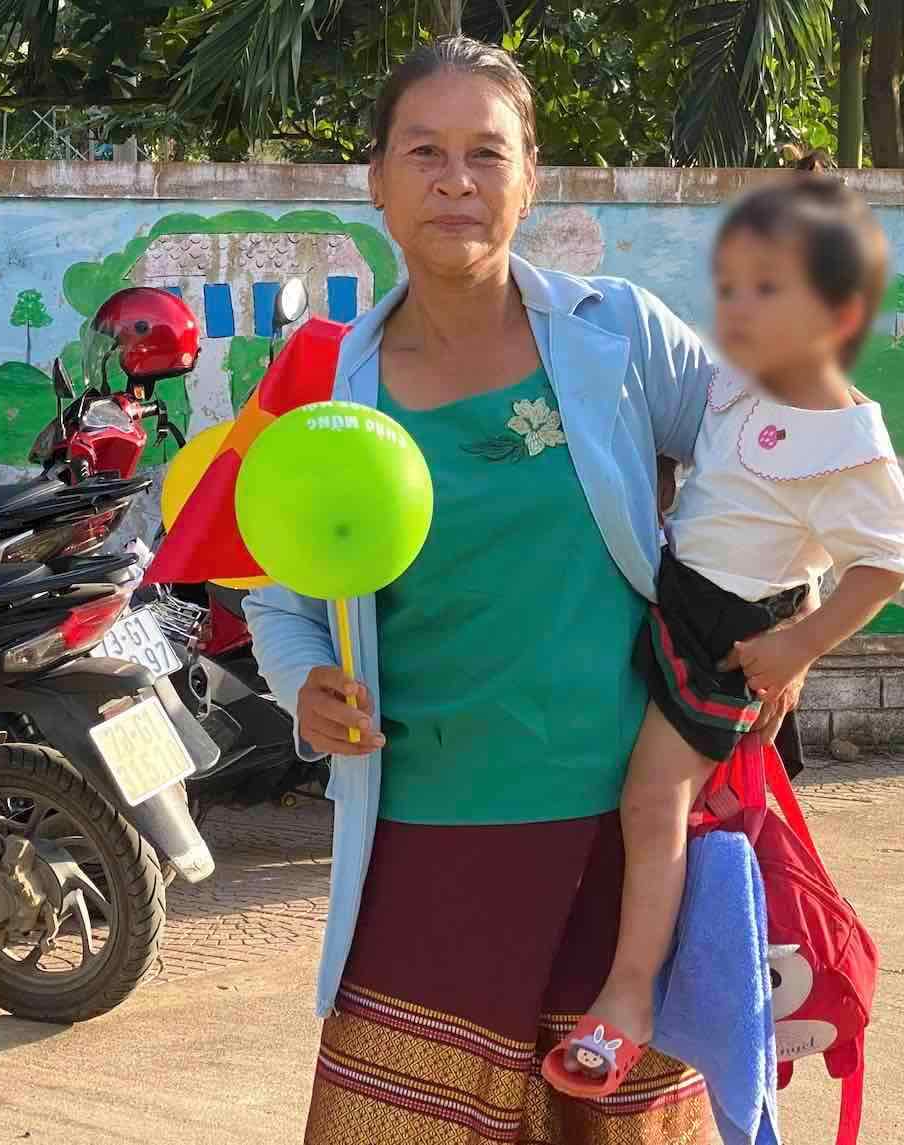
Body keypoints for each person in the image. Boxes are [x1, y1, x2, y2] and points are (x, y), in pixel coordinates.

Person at [244, 35, 806, 1145]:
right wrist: (306, 679)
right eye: (425, 151)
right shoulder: (327, 379)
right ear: (378, 181)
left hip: (619, 834)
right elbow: (279, 592)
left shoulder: (615, 337)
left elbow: (774, 453)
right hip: (421, 837)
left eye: (485, 153)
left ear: (529, 175)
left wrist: (780, 628)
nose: (456, 180)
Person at [541, 179, 904, 1097]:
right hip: (674, 595)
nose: (739, 308)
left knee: (652, 800)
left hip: (730, 639)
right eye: (735, 287)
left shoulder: (847, 435)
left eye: (768, 289)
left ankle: (628, 999)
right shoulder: (741, 377)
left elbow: (885, 561)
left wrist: (800, 643)